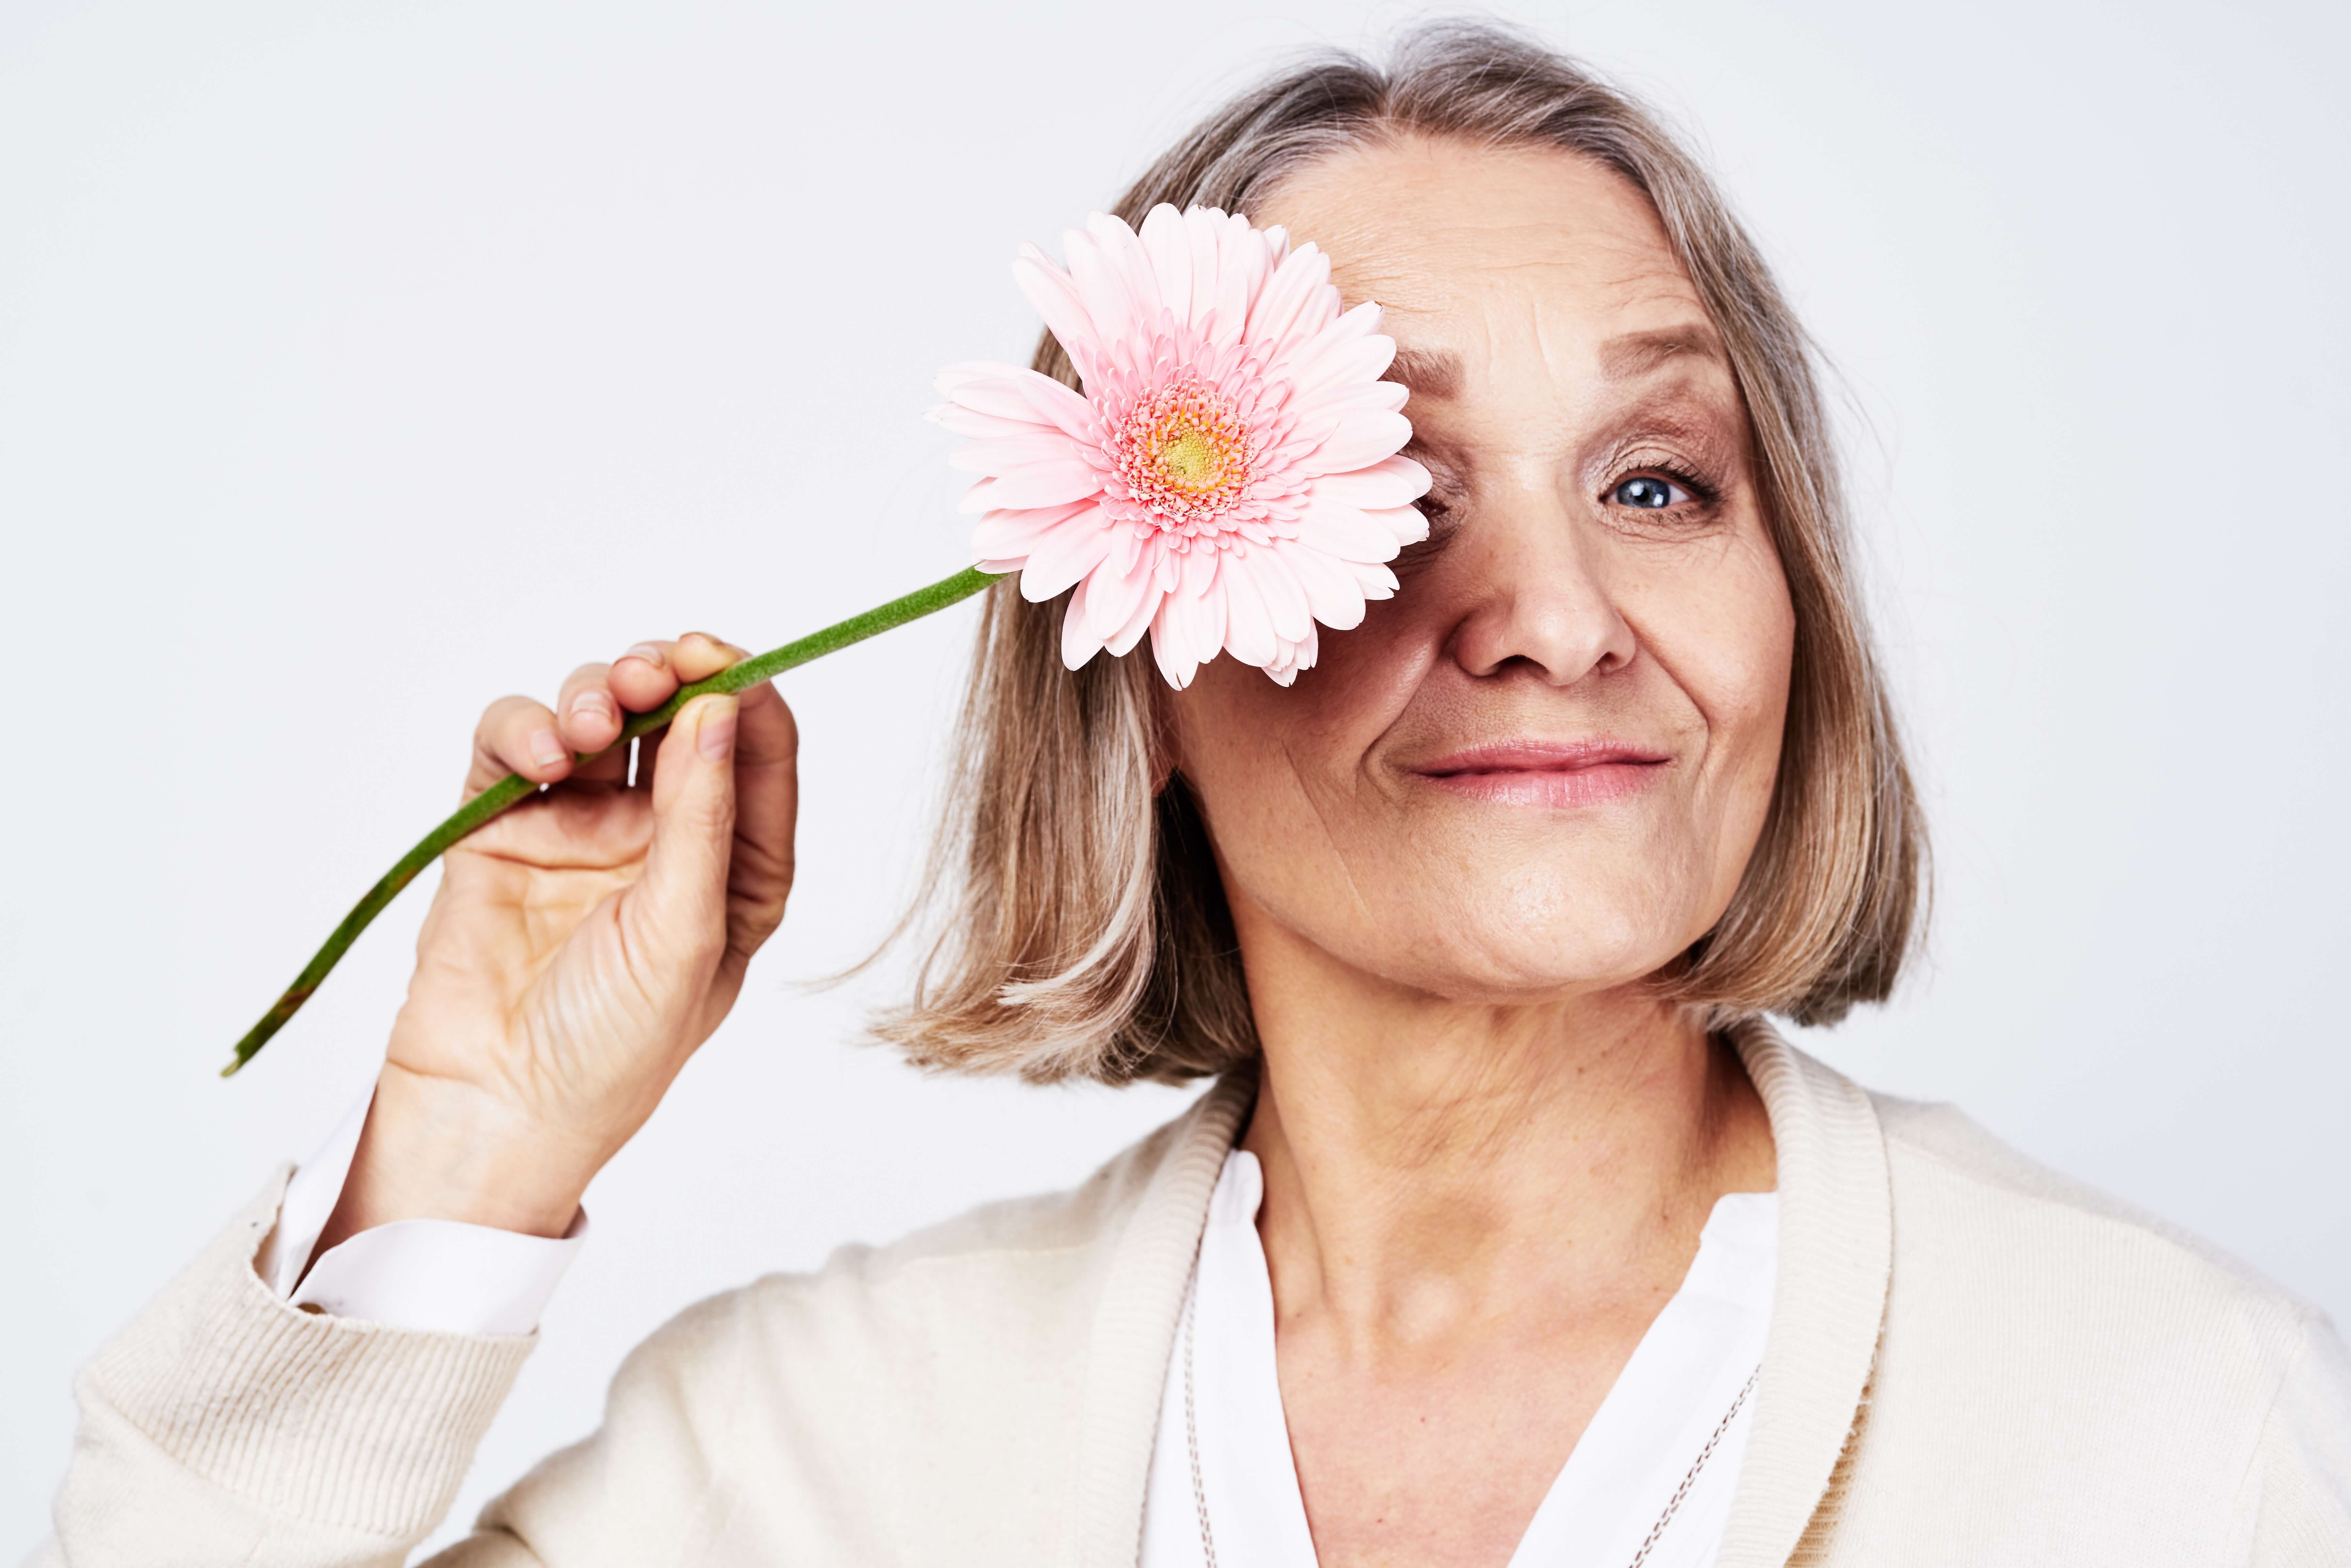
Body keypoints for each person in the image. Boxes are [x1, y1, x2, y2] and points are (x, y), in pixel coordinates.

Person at [32, 23, 2351, 1567]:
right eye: (1400, 488)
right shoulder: (817, 1454)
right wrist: (466, 1148)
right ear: (1135, 648)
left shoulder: (2182, 1432)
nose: (1556, 613)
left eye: (1660, 479)